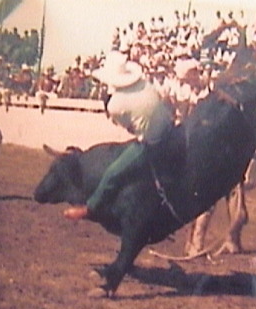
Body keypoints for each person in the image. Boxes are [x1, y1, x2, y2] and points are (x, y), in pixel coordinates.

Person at [63, 51, 174, 220]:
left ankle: (90, 209)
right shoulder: (145, 84)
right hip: (169, 127)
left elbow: (130, 128)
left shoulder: (115, 105)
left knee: (113, 172)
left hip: (151, 142)